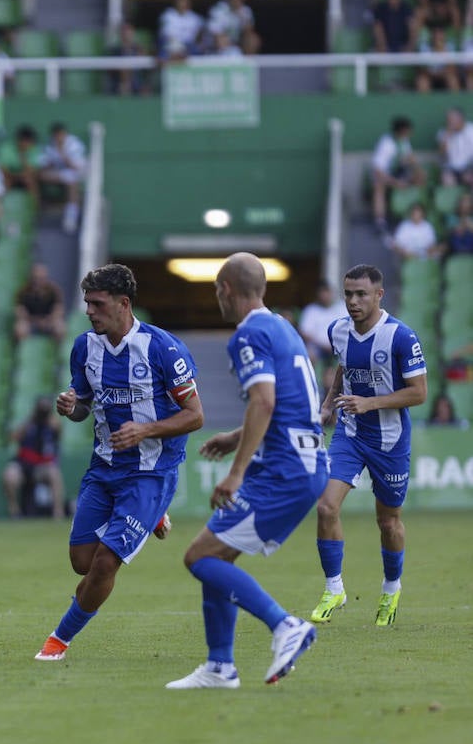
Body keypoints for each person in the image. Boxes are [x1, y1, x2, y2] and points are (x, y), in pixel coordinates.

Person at [167, 253, 325, 689]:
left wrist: (235, 473)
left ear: (225, 290)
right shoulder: (283, 328)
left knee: (198, 557)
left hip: (284, 471)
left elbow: (265, 402)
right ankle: (220, 666)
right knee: (217, 554)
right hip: (301, 461)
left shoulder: (247, 335)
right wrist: (236, 438)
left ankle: (284, 625)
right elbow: (284, 403)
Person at [34, 264, 203, 663]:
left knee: (106, 563)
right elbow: (85, 406)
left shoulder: (163, 348)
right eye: (87, 303)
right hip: (104, 468)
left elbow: (195, 415)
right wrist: (73, 407)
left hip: (150, 471)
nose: (89, 311)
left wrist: (145, 432)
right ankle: (153, 517)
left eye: (97, 303)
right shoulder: (84, 347)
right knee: (82, 563)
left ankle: (58, 640)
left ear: (123, 304)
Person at [309, 264, 428, 628]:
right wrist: (329, 404)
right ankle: (334, 589)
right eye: (348, 294)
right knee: (327, 506)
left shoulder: (401, 337)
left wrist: (370, 403)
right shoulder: (337, 331)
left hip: (390, 441)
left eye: (361, 294)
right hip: (350, 433)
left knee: (388, 521)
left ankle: (391, 589)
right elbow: (344, 369)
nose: (353, 302)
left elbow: (419, 393)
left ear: (379, 295)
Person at [2, 397, 64, 519]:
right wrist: (31, 420)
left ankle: (58, 513)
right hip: (23, 464)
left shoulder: (52, 425)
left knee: (54, 473)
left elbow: (59, 431)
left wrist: (49, 418)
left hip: (41, 467)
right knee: (9, 475)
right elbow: (13, 437)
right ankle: (14, 512)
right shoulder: (29, 424)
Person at [371, 116, 427, 236]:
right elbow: (378, 171)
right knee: (378, 186)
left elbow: (410, 160)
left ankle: (417, 213)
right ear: (401, 131)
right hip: (385, 176)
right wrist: (396, 182)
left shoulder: (405, 141)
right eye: (408, 131)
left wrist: (419, 171)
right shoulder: (386, 143)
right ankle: (380, 221)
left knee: (421, 177)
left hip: (399, 173)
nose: (410, 133)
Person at [39, 122, 87, 234]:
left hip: (76, 174)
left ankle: (71, 217)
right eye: (56, 135)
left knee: (72, 180)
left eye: (61, 134)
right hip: (58, 175)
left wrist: (62, 153)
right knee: (39, 175)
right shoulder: (51, 145)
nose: (59, 137)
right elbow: (44, 166)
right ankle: (38, 209)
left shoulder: (74, 144)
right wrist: (50, 162)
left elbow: (76, 167)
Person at [297, 281, 348, 367]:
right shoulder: (311, 310)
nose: (324, 296)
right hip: (317, 349)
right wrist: (324, 345)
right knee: (307, 355)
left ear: (332, 293)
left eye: (326, 292)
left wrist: (335, 345)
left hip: (341, 347)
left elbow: (350, 329)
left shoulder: (343, 307)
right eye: (322, 293)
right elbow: (304, 333)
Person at [13, 263, 66, 343]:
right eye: (36, 278)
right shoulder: (23, 292)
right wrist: (36, 321)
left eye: (41, 278)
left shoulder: (53, 291)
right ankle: (23, 351)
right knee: (20, 328)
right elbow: (20, 313)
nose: (38, 281)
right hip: (30, 322)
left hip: (49, 322)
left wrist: (48, 320)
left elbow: (59, 310)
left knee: (60, 327)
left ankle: (57, 351)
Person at [437, 107, 473, 187]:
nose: (449, 122)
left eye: (452, 119)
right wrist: (447, 136)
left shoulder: (471, 130)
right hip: (450, 168)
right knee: (447, 181)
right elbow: (441, 152)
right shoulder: (443, 133)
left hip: (468, 167)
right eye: (448, 120)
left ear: (461, 119)